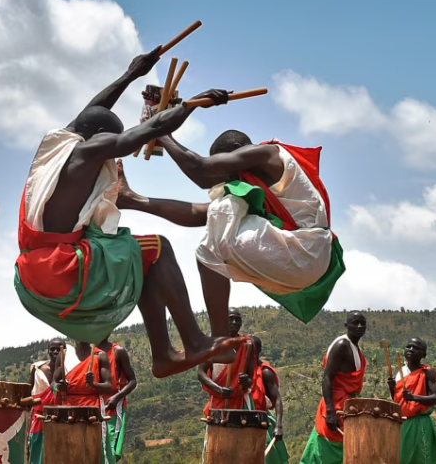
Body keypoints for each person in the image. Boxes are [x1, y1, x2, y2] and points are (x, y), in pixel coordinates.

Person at [13, 46, 240, 377]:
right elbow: (143, 134)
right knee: (159, 248)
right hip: (59, 269)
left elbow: (92, 111)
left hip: (33, 274)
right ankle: (191, 343)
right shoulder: (87, 151)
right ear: (102, 139)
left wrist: (133, 73)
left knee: (141, 257)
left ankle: (164, 355)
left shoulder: (59, 146)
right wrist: (191, 104)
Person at [115, 128, 344, 337]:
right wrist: (134, 201)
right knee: (219, 216)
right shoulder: (252, 184)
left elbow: (202, 173)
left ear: (236, 153)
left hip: (304, 253)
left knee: (219, 219)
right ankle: (220, 338)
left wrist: (161, 132)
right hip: (309, 261)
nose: (222, 174)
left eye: (222, 164)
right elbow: (200, 214)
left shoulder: (267, 154)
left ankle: (220, 338)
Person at [300, 312, 366, 464]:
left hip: (348, 406)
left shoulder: (356, 348)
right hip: (335, 406)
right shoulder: (342, 345)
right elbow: (327, 377)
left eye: (362, 324)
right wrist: (330, 411)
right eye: (355, 323)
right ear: (346, 325)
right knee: (329, 448)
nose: (359, 326)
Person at [51, 341, 115, 463]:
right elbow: (53, 383)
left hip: (92, 407)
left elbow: (108, 386)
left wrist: (93, 384)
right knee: (70, 448)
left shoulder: (99, 355)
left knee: (95, 447)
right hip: (69, 408)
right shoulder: (64, 354)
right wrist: (58, 387)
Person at [386, 338, 436, 464]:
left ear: (424, 354)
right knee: (403, 458)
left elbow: (435, 398)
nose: (411, 349)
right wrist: (392, 388)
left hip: (419, 422)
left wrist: (414, 397)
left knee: (421, 458)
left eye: (416, 348)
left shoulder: (427, 371)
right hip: (402, 422)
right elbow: (398, 400)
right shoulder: (400, 372)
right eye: (409, 346)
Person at [198, 309, 254, 414]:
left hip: (241, 403)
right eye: (231, 319)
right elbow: (201, 373)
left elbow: (251, 379)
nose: (234, 323)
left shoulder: (247, 344)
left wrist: (246, 381)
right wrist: (219, 389)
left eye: (237, 320)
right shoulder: (213, 342)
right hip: (218, 403)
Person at [97, 335, 137, 461]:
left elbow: (132, 381)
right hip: (92, 405)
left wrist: (117, 397)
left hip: (112, 406)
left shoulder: (118, 351)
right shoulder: (89, 352)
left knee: (109, 448)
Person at [250, 336, 289, 464]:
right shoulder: (236, 371)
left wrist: (278, 426)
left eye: (252, 349)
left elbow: (277, 398)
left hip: (261, 421)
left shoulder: (265, 372)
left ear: (258, 350)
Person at [27, 338, 65, 464]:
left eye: (59, 349)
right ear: (48, 351)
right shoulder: (37, 369)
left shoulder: (70, 371)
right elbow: (28, 391)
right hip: (38, 418)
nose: (55, 352)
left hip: (60, 418)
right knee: (37, 454)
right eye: (52, 349)